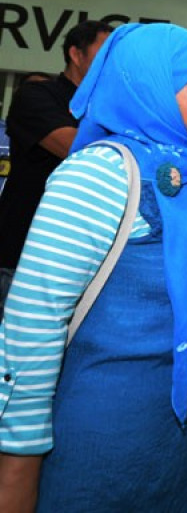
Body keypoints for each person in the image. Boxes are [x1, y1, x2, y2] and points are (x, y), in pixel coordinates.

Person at [0, 23, 187, 512]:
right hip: (95, 454)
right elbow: (33, 323)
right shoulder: (100, 172)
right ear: (147, 81)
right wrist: (17, 462)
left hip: (175, 453)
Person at [0, 20, 112, 318]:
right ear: (76, 55)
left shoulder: (105, 108)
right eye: (104, 51)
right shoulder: (38, 96)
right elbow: (77, 149)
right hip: (23, 258)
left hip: (82, 263)